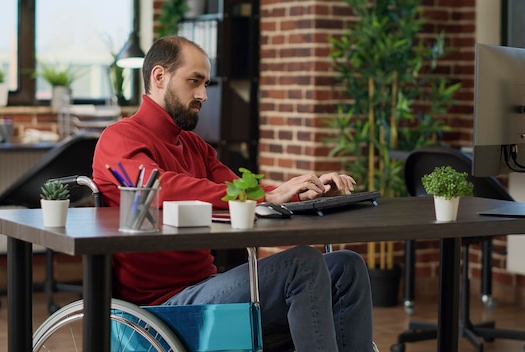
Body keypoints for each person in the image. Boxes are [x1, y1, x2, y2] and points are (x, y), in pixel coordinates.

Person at [92, 35, 375, 352]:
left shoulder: (193, 145)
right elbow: (162, 187)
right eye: (194, 81)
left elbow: (241, 190)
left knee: (347, 267)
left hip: (206, 286)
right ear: (159, 77)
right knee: (302, 263)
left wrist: (303, 192)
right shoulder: (119, 138)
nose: (203, 94)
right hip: (160, 308)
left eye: (205, 83)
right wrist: (266, 197)